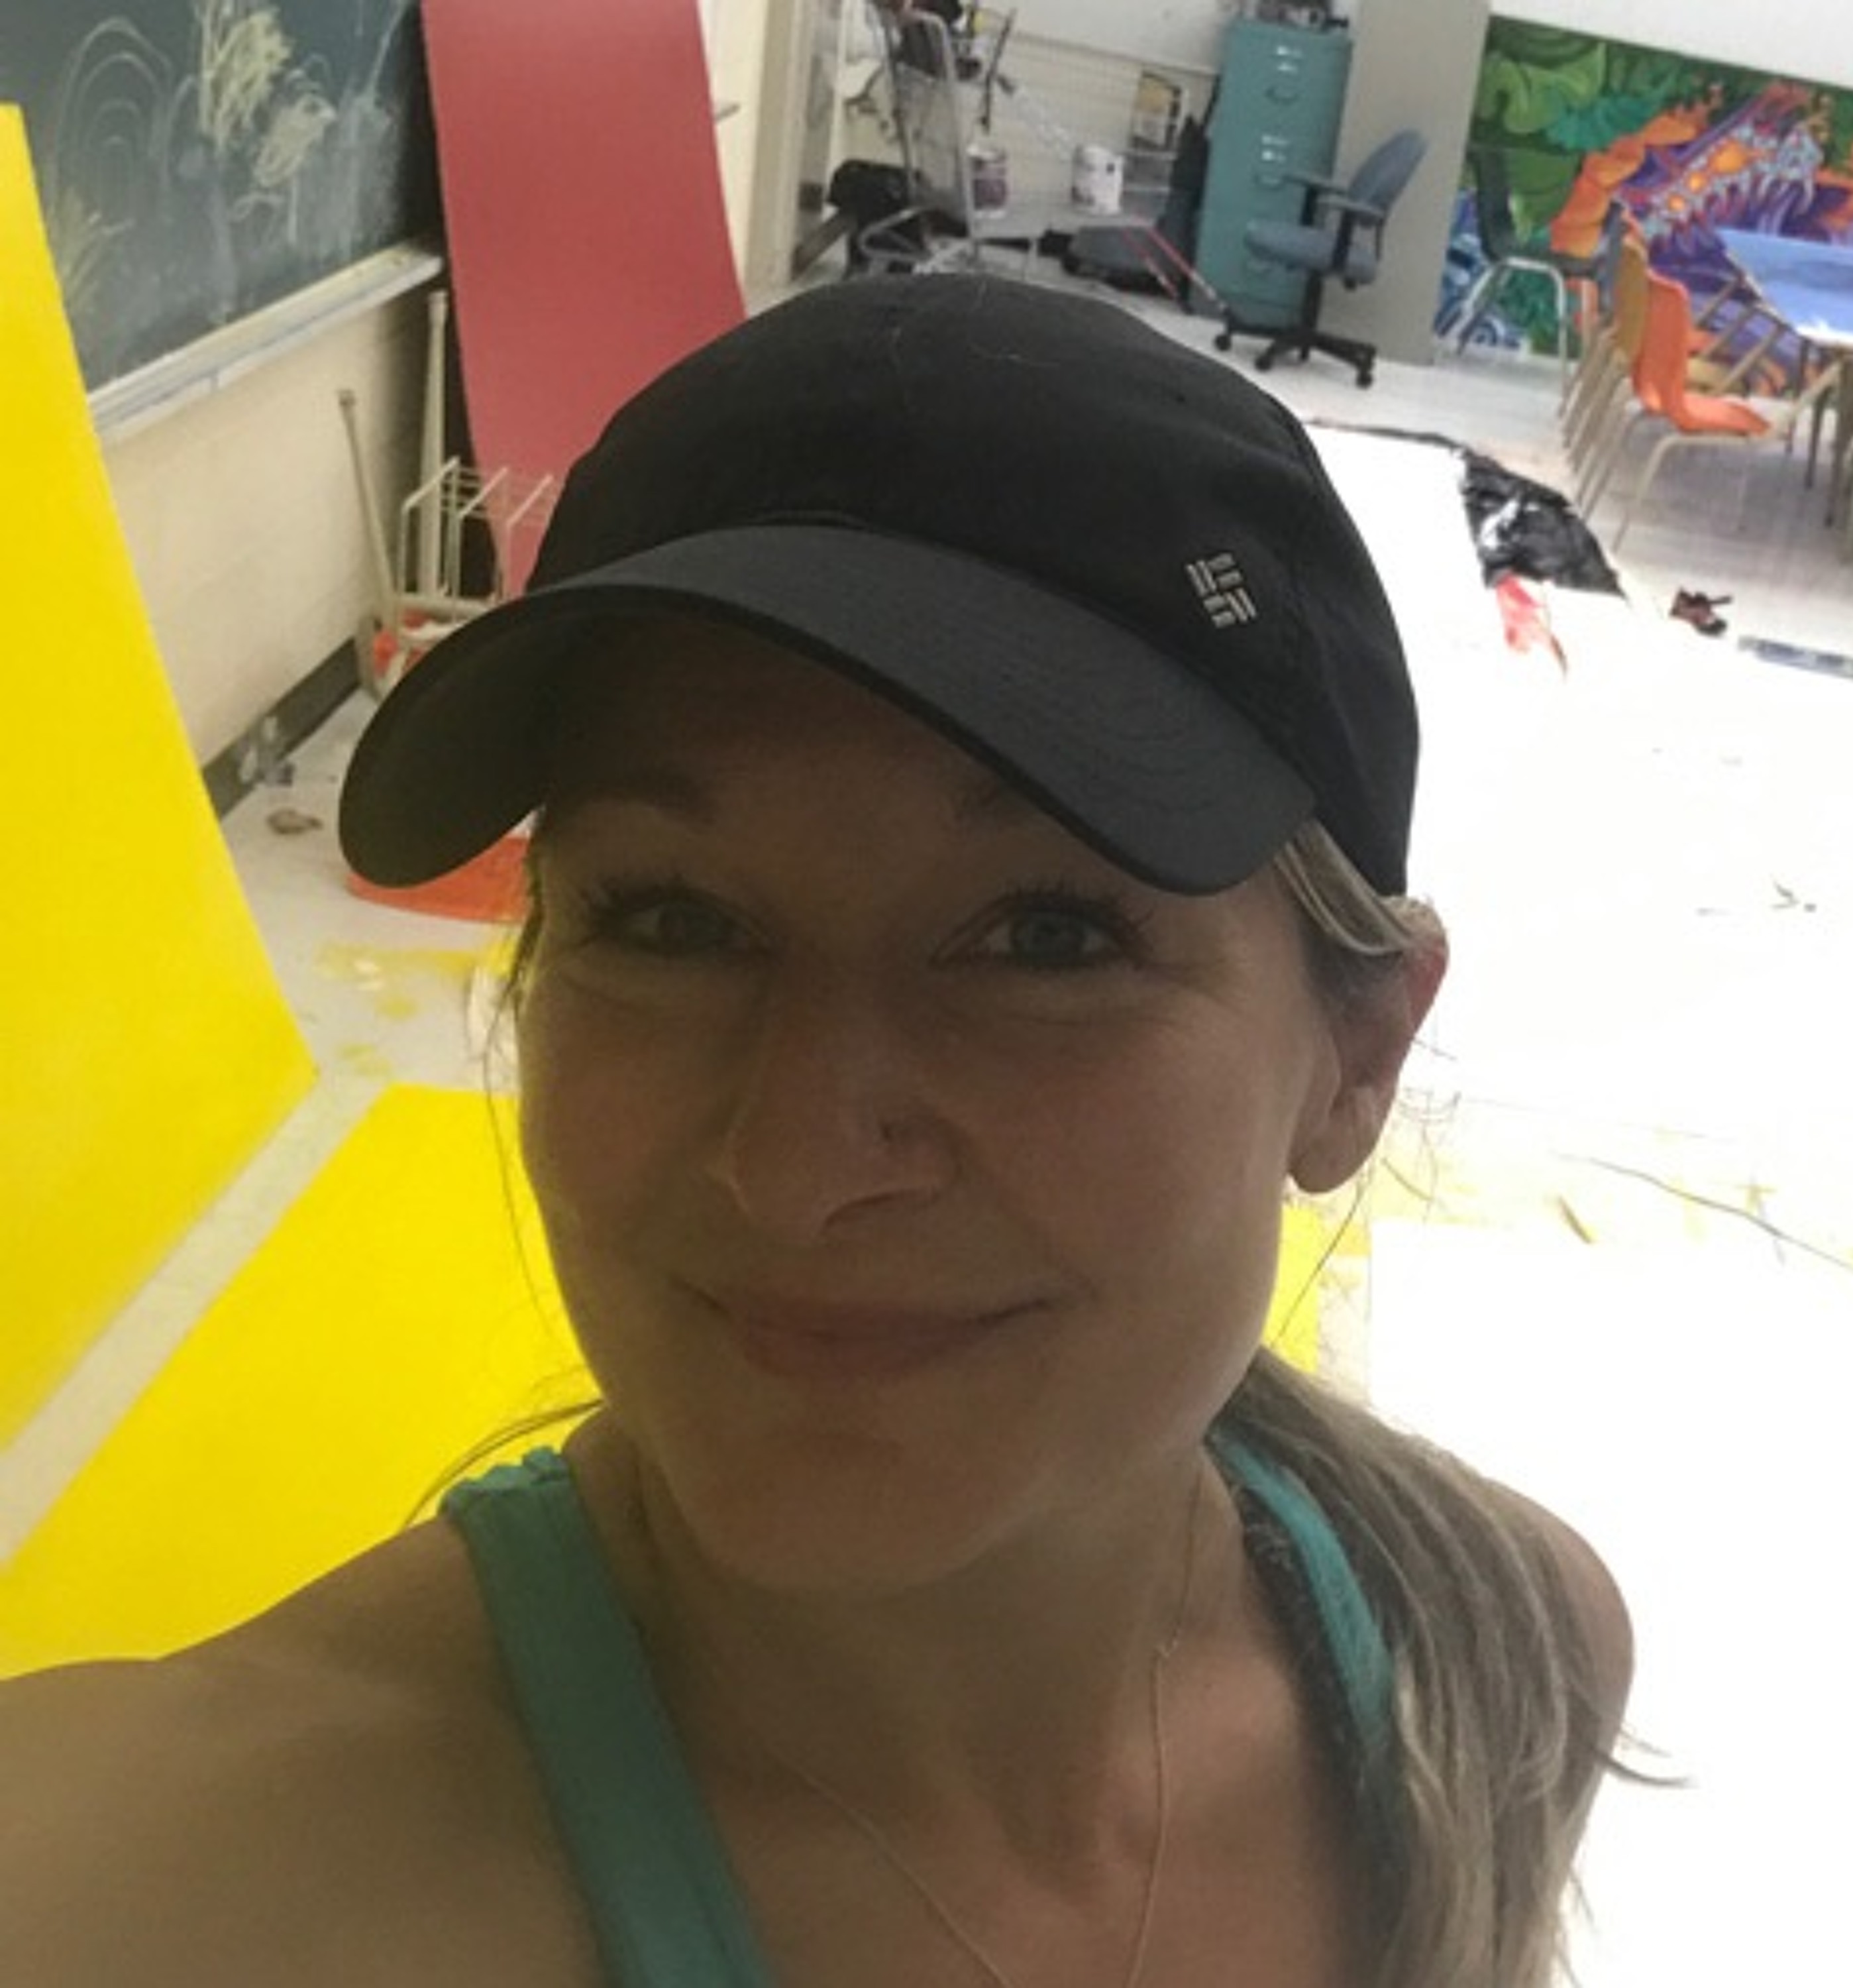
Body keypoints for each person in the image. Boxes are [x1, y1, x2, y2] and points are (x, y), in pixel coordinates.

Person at [0, 276, 1632, 1987]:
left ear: (1357, 1057)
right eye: (670, 920)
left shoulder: (1492, 1686)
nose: (795, 1168)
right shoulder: (172, 1890)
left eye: (1043, 938)